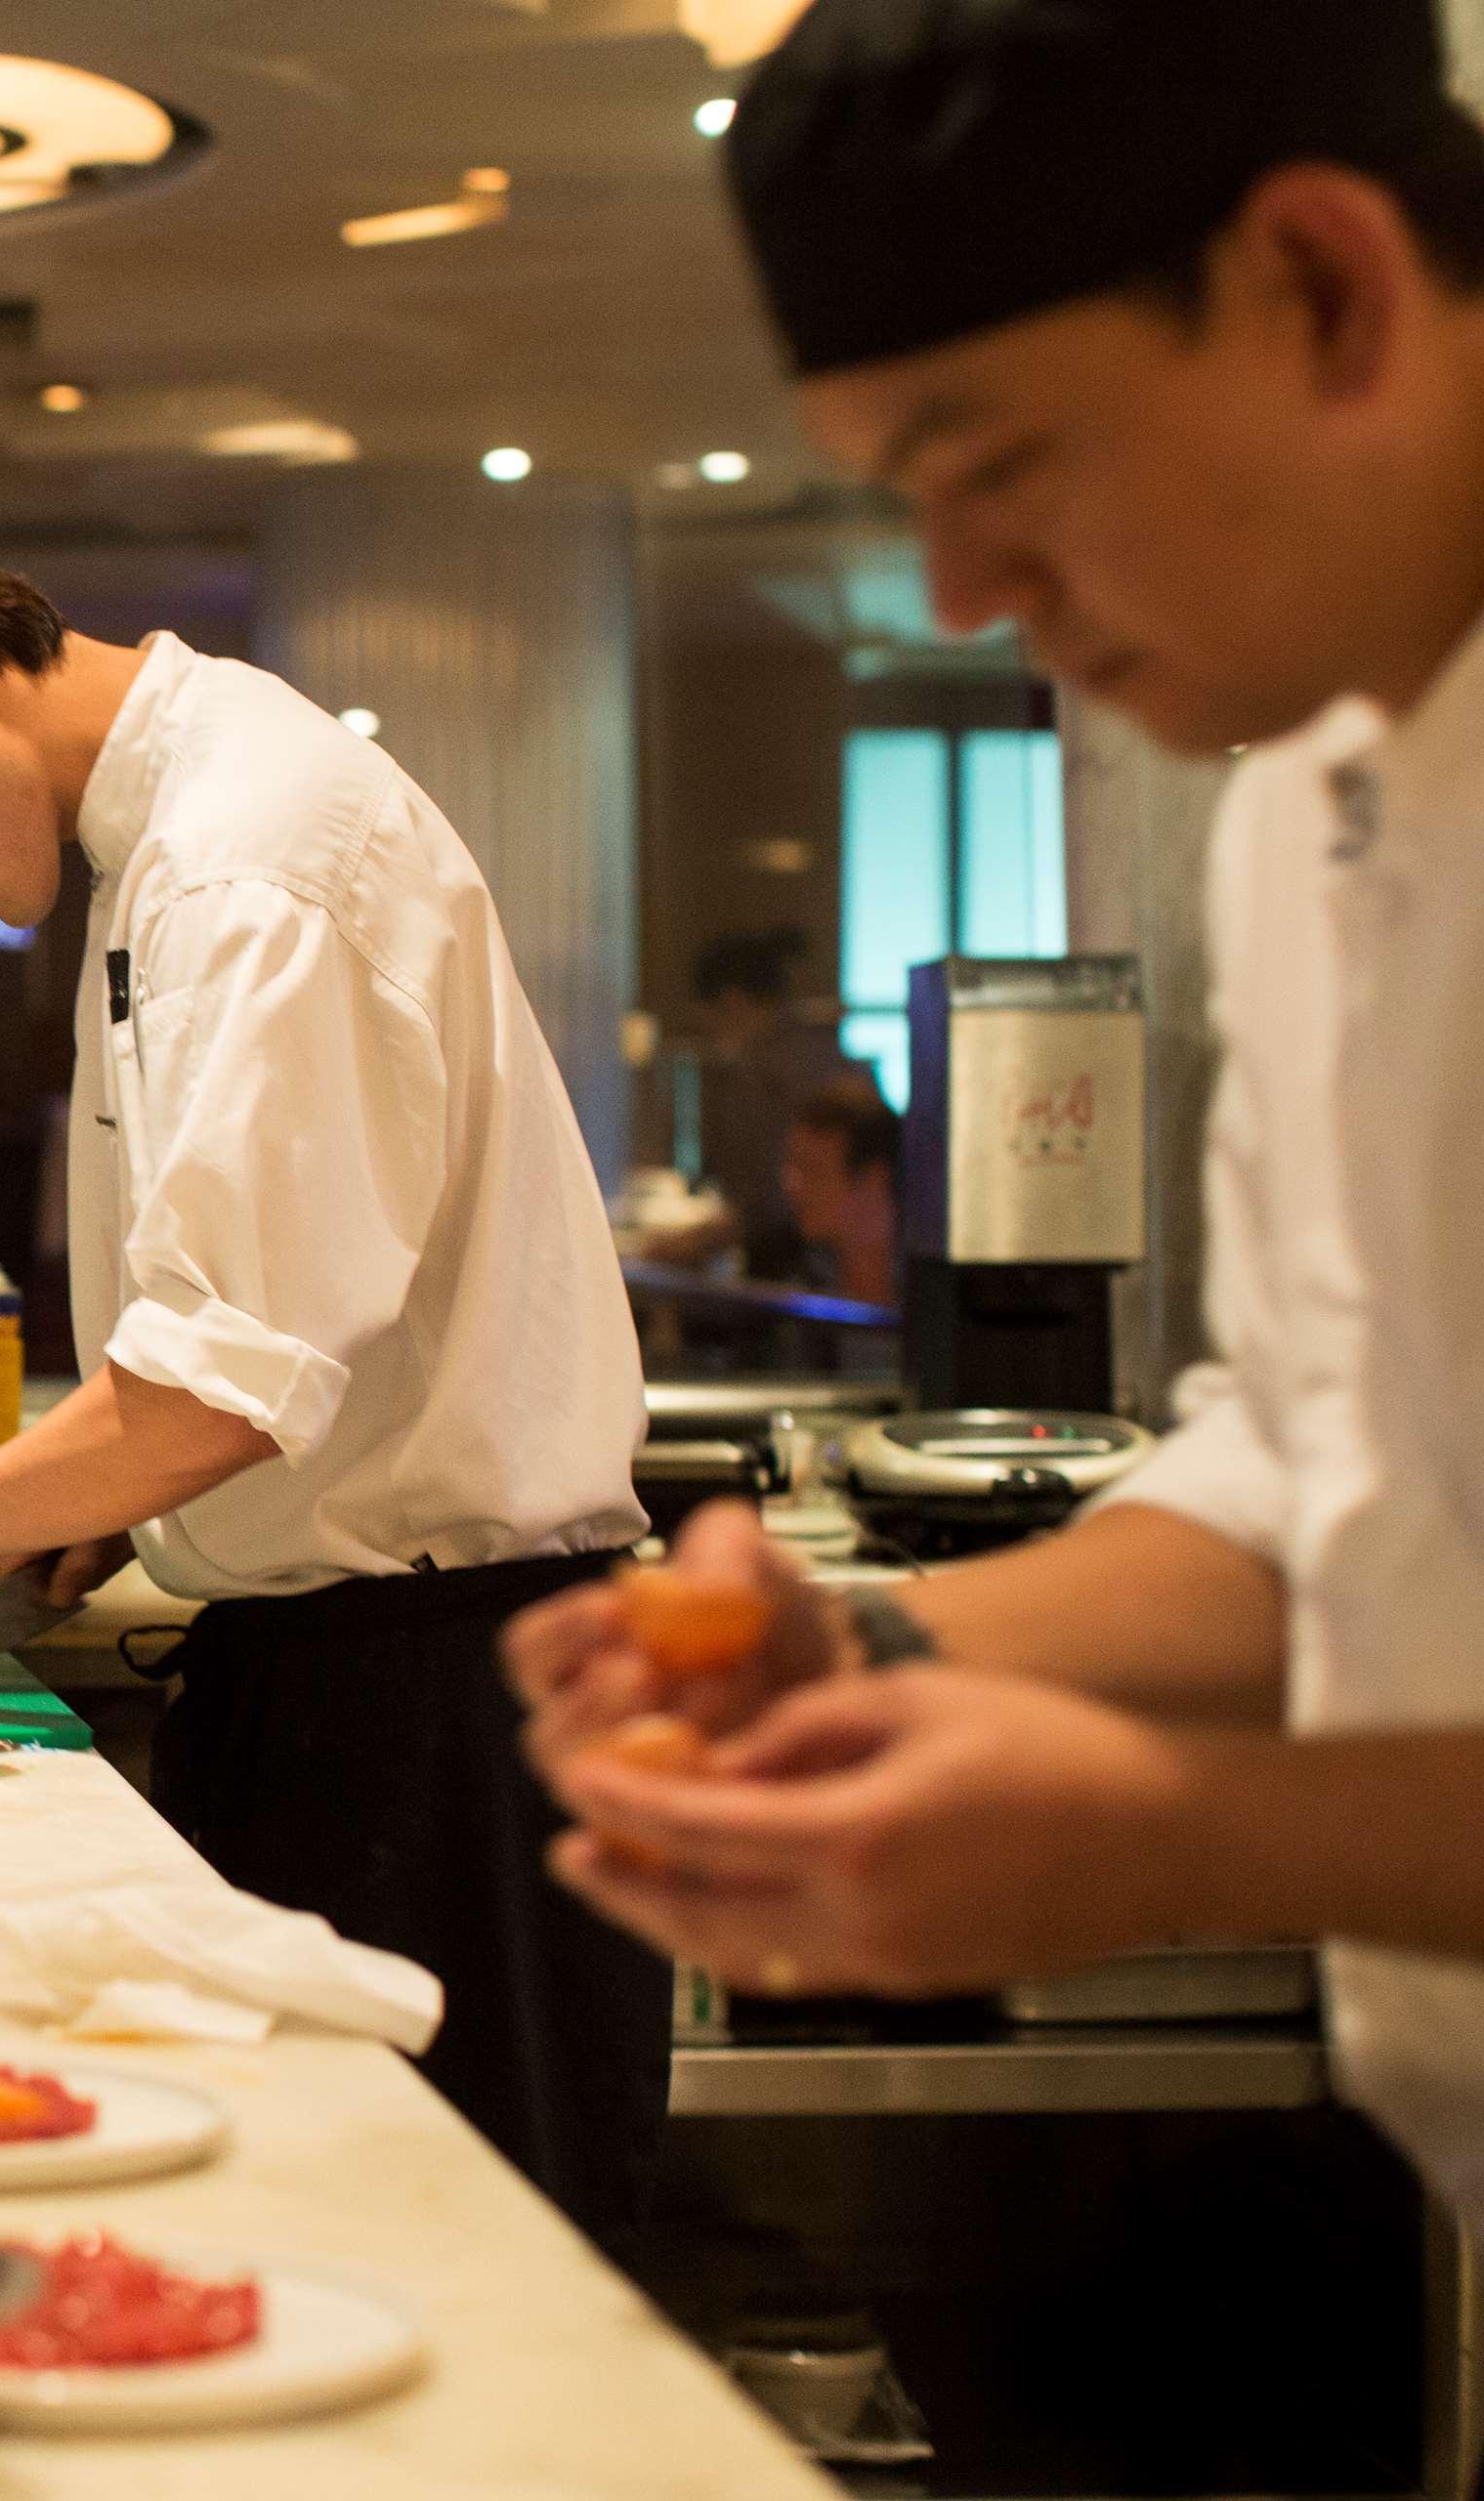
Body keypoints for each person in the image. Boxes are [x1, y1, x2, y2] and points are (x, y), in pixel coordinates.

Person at [506, 0, 1484, 2233]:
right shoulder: (1299, 788)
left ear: (1323, 285)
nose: (955, 594)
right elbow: (1311, 1468)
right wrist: (872, 1658)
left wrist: (1179, 1829)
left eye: (995, 462)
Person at [0, 490, 661, 2236]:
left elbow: (214, 1387)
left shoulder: (242, 862)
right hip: (357, 1679)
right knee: (315, 2259)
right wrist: (101, 1516)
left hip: (445, 1723)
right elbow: (293, 1322)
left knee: (470, 2302)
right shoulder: (185, 828)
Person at [639, 929, 867, 1277]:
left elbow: (770, 1204)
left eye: (706, 1016)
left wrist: (692, 1244)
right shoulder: (825, 1050)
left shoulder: (761, 1071)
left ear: (732, 1001)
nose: (708, 1032)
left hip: (805, 1264)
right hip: (855, 1254)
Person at [779, 1074, 901, 1310]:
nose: (791, 1186)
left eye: (811, 1171)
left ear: (873, 1180)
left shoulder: (934, 1292)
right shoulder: (805, 1275)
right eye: (791, 1167)